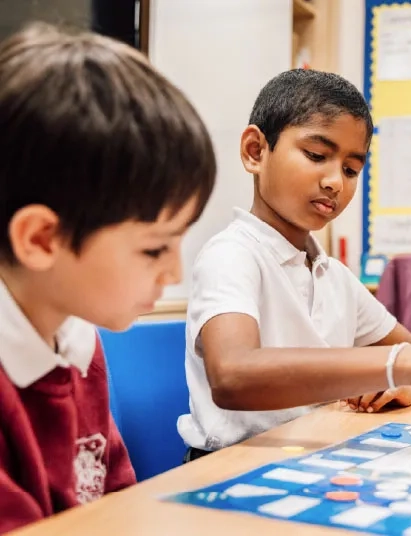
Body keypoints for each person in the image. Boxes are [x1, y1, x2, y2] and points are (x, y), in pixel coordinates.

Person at [177, 69, 411, 460]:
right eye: (316, 155)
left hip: (311, 458)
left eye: (351, 169)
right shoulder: (232, 254)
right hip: (230, 467)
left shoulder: (334, 276)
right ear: (256, 151)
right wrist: (404, 365)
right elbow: (233, 376)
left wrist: (407, 381)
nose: (335, 182)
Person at [0, 23, 216, 532]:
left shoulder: (76, 339)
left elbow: (113, 505)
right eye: (154, 248)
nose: (175, 272)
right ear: (40, 240)